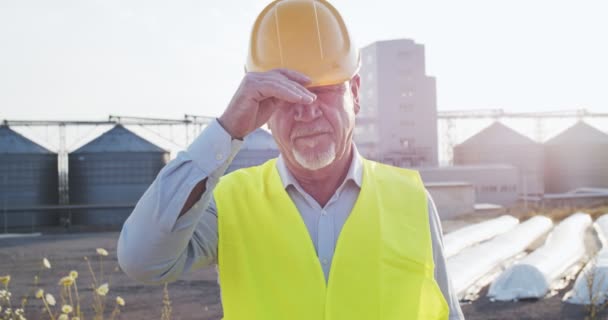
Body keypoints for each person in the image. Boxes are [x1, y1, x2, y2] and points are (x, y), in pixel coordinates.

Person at [118, 0, 464, 319]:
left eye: (323, 89)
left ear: (355, 93)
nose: (306, 109)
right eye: (283, 93)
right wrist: (227, 130)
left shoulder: (411, 199)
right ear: (259, 105)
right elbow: (141, 260)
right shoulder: (230, 202)